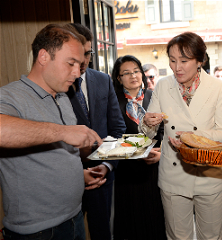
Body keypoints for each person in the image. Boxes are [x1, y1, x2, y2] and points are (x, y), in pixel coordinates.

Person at [0, 23, 104, 239]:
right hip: (37, 231)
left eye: (80, 63)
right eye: (71, 63)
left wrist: (78, 175)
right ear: (44, 57)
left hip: (74, 217)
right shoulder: (10, 96)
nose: (77, 72)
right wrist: (63, 132)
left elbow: (57, 155)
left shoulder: (63, 96)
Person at [141, 32, 222, 240]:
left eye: (184, 61)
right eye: (172, 61)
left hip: (210, 174)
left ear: (200, 60)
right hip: (173, 176)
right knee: (177, 237)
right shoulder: (163, 86)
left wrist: (191, 137)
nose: (177, 67)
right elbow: (149, 133)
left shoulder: (218, 88)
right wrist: (147, 123)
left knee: (210, 236)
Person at [66, 23, 126, 240]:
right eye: (78, 54)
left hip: (102, 177)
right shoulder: (56, 85)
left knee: (102, 232)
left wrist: (108, 165)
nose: (83, 61)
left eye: (88, 53)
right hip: (68, 178)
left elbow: (117, 129)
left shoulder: (102, 80)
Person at [111, 55, 166, 240]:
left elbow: (165, 132)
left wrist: (159, 152)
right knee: (131, 221)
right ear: (118, 78)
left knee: (155, 217)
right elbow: (112, 136)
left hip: (154, 167)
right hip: (126, 171)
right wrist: (139, 150)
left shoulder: (154, 97)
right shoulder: (113, 102)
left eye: (136, 71)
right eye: (126, 73)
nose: (133, 76)